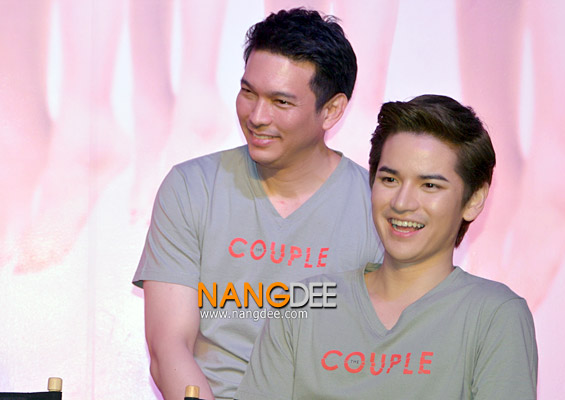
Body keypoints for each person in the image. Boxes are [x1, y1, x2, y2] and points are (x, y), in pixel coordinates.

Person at [132, 8, 382, 400]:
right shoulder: (192, 187)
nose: (257, 116)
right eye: (248, 92)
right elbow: (168, 348)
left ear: (331, 110)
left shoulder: (378, 206)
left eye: (281, 102)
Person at [236, 95, 538, 399]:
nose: (402, 203)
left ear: (473, 200)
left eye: (429, 185)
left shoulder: (494, 315)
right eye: (390, 179)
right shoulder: (302, 306)